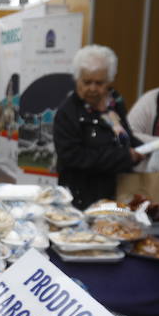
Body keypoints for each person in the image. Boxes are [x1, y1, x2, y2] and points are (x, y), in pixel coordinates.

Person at [52, 45, 141, 210]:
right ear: (77, 79)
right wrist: (123, 157)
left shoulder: (114, 102)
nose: (92, 88)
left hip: (119, 190)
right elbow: (73, 156)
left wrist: (143, 148)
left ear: (109, 80)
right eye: (87, 82)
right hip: (82, 196)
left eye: (99, 83)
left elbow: (124, 134)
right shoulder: (68, 112)